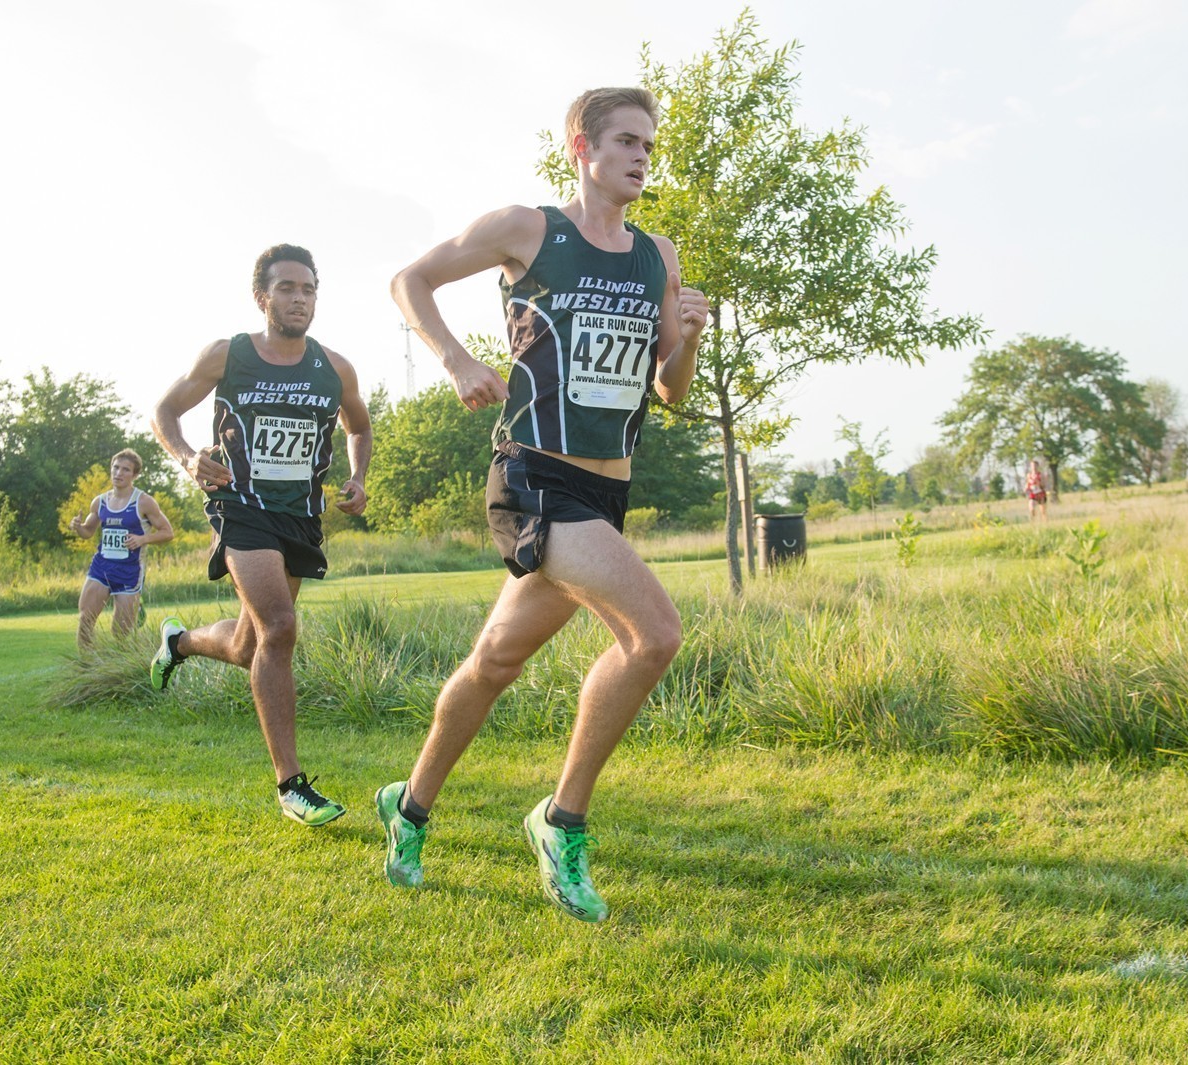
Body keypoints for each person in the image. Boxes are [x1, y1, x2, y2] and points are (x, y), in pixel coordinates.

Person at [378, 86, 709, 922]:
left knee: (494, 661)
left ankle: (408, 807)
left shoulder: (656, 255)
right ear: (581, 148)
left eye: (648, 143)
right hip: (532, 477)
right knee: (655, 633)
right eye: (627, 140)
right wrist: (455, 360)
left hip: (605, 490)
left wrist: (692, 337)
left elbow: (669, 390)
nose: (642, 155)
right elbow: (409, 280)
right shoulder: (528, 230)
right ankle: (561, 821)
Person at [149, 244, 372, 827]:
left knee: (252, 646)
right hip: (240, 508)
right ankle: (292, 786)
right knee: (280, 626)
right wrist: (186, 458)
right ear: (262, 297)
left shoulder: (334, 367)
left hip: (299, 515)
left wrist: (358, 477)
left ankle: (179, 643)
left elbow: (360, 427)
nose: (300, 299)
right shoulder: (229, 355)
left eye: (309, 289)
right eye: (288, 288)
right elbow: (165, 411)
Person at [69, 448, 174, 649]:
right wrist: (77, 527)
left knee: (120, 634)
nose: (118, 473)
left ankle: (118, 670)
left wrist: (143, 539)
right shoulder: (100, 502)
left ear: (134, 475)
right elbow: (88, 532)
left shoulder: (143, 502)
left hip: (130, 571)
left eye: (125, 470)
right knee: (85, 619)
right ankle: (86, 666)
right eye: (115, 468)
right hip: (102, 567)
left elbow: (168, 532)